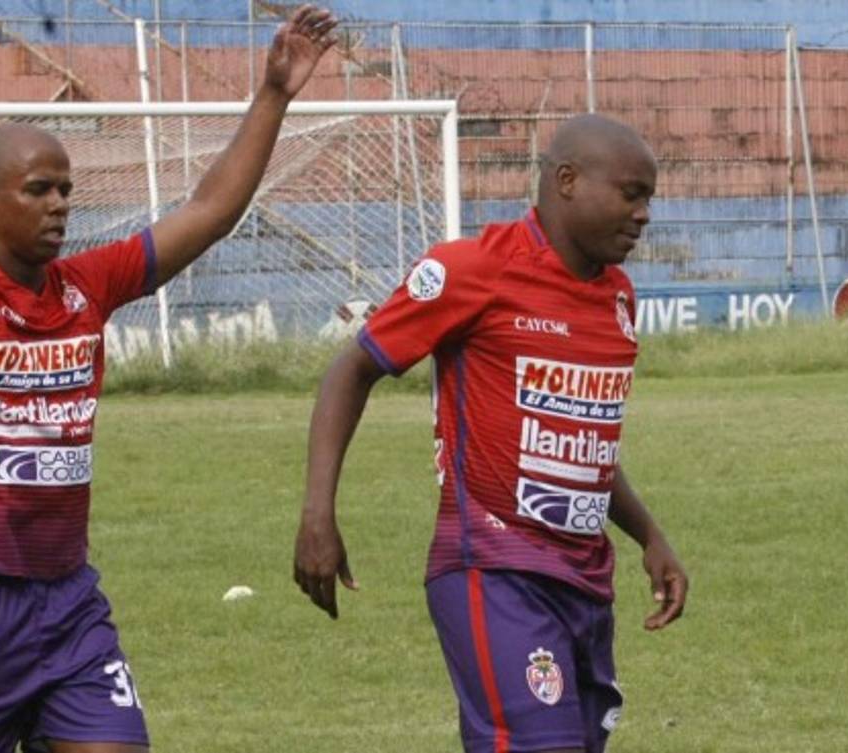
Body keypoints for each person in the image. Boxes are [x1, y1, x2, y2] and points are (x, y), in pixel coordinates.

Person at [0, 2, 336, 751]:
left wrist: (273, 93)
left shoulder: (87, 284)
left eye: (65, 190)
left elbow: (209, 212)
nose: (59, 205)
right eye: (39, 189)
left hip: (68, 598)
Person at [294, 112, 690, 753]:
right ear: (567, 180)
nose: (644, 215)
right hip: (493, 568)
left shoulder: (618, 297)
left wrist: (649, 536)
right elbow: (352, 369)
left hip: (585, 581)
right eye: (631, 194)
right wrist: (318, 513)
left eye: (649, 198)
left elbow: (583, 443)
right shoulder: (471, 271)